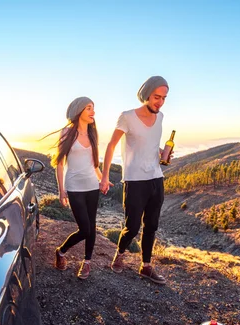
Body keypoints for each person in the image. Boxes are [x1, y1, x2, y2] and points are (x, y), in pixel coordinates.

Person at [99, 76, 171, 285]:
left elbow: (151, 144)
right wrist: (104, 176)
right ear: (146, 94)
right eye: (157, 97)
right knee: (132, 226)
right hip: (135, 179)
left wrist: (162, 154)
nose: (160, 102)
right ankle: (120, 254)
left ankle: (146, 266)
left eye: (164, 98)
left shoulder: (161, 117)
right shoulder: (127, 117)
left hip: (156, 178)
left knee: (151, 225)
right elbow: (111, 145)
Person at [51, 97, 102, 279]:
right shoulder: (67, 132)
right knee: (85, 229)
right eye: (89, 108)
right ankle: (61, 250)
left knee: (92, 226)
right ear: (78, 111)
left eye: (93, 108)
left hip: (92, 186)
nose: (93, 112)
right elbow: (59, 163)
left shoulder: (93, 134)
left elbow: (94, 163)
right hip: (74, 186)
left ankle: (86, 263)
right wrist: (61, 189)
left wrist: (102, 179)